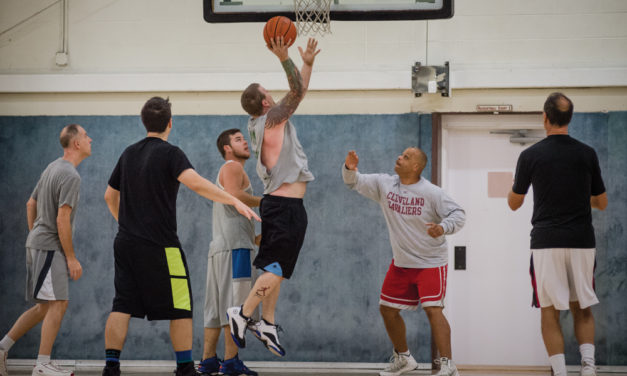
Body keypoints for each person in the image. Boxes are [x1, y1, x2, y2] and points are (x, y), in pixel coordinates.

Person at [101, 97, 259, 376]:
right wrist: (234, 201)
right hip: (162, 246)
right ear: (170, 123)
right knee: (181, 306)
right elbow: (197, 183)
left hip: (125, 243)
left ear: (144, 122)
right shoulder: (171, 153)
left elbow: (109, 196)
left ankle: (111, 367)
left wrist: (126, 224)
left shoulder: (128, 153)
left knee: (122, 304)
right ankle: (185, 368)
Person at [227, 36, 320, 357]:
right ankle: (243, 313)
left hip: (282, 205)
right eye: (269, 92)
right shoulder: (271, 120)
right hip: (284, 206)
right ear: (266, 103)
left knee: (275, 266)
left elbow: (297, 93)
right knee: (276, 268)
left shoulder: (263, 121)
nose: (273, 94)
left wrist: (306, 64)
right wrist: (285, 58)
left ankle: (266, 321)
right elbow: (295, 93)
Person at [508, 92, 608, 376]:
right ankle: (588, 368)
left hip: (546, 243)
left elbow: (514, 203)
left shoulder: (529, 155)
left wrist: (511, 186)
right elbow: (602, 202)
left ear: (545, 117)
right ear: (570, 118)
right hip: (581, 241)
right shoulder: (587, 153)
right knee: (583, 307)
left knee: (549, 310)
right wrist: (579, 197)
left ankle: (560, 372)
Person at [342, 148, 465, 376]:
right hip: (402, 263)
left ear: (417, 167)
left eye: (406, 157)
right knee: (387, 309)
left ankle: (448, 366)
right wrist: (349, 168)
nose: (399, 157)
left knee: (433, 310)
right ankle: (404, 358)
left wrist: (443, 227)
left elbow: (458, 215)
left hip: (430, 262)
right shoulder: (384, 184)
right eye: (401, 155)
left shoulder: (432, 192)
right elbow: (354, 182)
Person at [0, 124, 92, 376]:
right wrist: (71, 258)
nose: (90, 139)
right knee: (59, 304)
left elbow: (31, 203)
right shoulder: (71, 175)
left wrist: (34, 235)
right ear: (76, 144)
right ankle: (42, 365)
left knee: (44, 307)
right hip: (49, 247)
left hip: (40, 243)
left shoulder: (53, 167)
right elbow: (62, 219)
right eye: (85, 136)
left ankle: (2, 349)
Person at [198, 129, 261, 376]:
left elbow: (237, 214)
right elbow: (236, 195)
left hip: (222, 248)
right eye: (238, 139)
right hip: (235, 250)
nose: (245, 141)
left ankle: (209, 361)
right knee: (236, 308)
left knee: (215, 309)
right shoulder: (233, 167)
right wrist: (267, 202)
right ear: (226, 148)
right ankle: (231, 361)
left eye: (244, 139)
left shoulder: (229, 170)